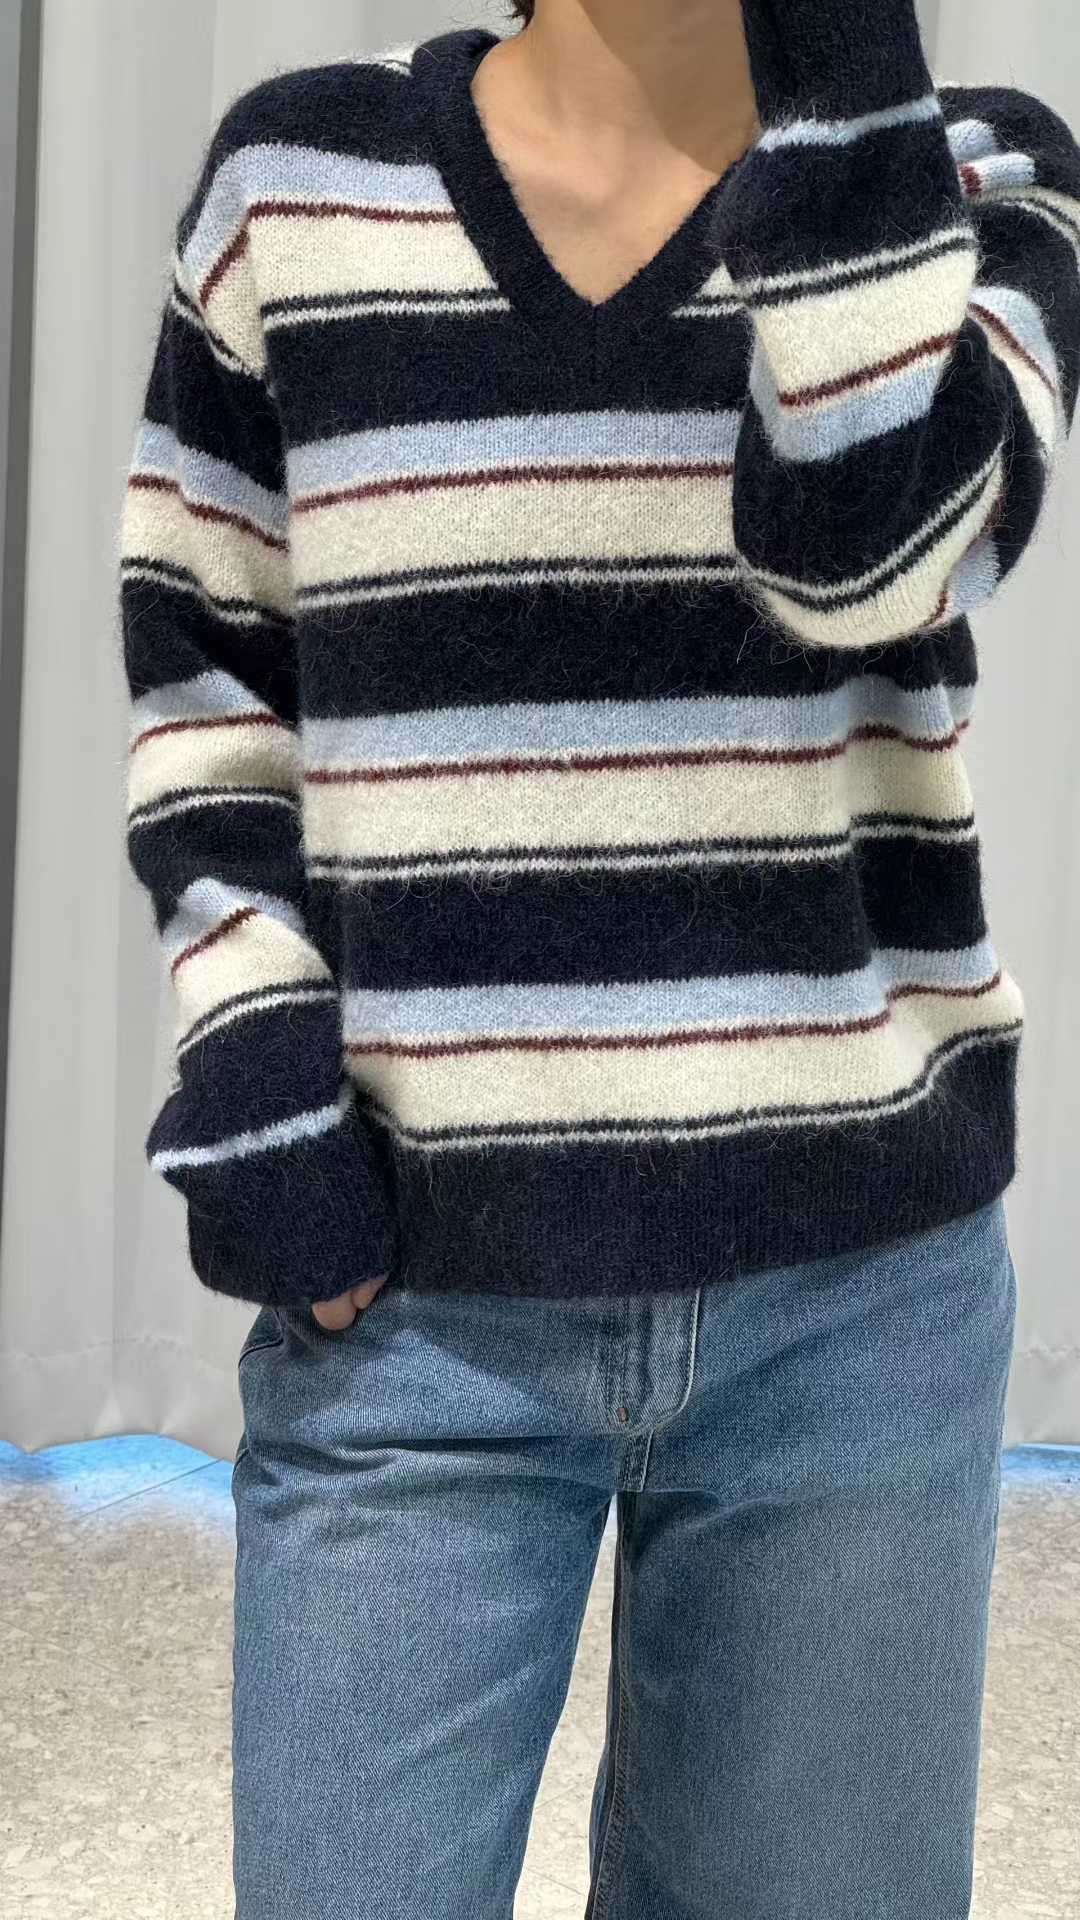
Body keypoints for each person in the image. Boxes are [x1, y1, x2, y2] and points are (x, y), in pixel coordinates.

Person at [116, 2, 1080, 1914]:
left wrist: (839, 71)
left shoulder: (978, 183)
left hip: (854, 1309)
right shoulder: (297, 183)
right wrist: (260, 1084)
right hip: (416, 1302)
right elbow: (211, 686)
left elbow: (864, 560)